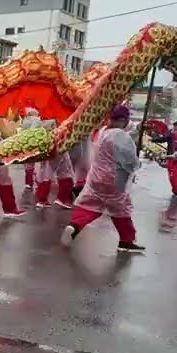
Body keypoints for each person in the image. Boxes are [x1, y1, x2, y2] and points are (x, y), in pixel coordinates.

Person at [60, 106, 145, 253]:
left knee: (90, 205)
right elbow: (129, 160)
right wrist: (137, 165)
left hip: (96, 178)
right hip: (115, 180)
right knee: (121, 211)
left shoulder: (102, 132)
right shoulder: (120, 136)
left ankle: (74, 226)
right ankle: (126, 240)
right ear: (124, 120)